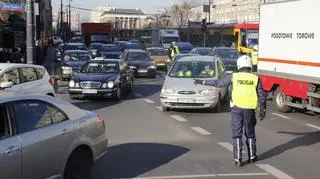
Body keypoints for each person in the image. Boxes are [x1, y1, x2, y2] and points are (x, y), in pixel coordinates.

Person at [193, 55, 266, 167]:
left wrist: (202, 81)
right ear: (250, 65)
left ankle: (238, 159)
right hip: (250, 110)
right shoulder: (255, 78)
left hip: (237, 109)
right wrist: (263, 110)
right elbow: (262, 95)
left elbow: (219, 83)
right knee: (250, 133)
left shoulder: (234, 76)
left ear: (239, 65)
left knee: (237, 134)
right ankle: (252, 156)